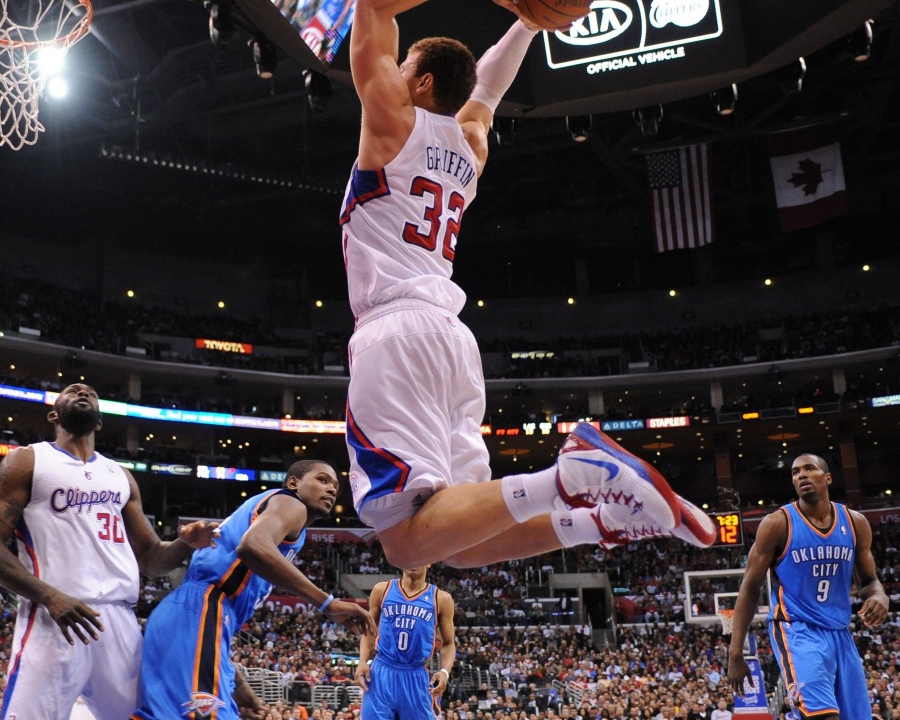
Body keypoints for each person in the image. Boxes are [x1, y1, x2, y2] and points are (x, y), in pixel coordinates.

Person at [340, 0, 716, 571]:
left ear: (419, 81)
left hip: (393, 331)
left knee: (404, 543)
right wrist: (525, 24)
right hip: (448, 336)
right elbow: (487, 89)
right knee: (462, 546)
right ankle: (601, 520)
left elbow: (373, 7)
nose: (393, 71)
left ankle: (568, 475)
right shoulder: (469, 143)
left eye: (403, 64)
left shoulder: (392, 122)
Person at [0, 383, 218, 720]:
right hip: (54, 615)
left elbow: (151, 560)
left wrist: (184, 544)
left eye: (90, 392)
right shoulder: (27, 461)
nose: (82, 391)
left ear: (99, 422)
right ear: (53, 414)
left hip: (119, 621)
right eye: (71, 391)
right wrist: (50, 597)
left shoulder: (120, 476)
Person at [134, 459, 374, 720]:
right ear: (294, 482)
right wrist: (327, 603)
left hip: (190, 615)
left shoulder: (275, 512)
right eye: (322, 480)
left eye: (335, 486)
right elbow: (252, 546)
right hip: (202, 608)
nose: (331, 489)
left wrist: (240, 688)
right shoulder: (291, 503)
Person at [726, 453, 889, 720]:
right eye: (795, 472)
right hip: (796, 630)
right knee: (823, 716)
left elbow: (869, 582)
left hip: (839, 632)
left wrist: (880, 595)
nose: (800, 475)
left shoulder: (855, 523)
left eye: (809, 469)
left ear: (827, 478)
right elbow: (750, 588)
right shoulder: (777, 524)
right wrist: (735, 652)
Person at [355, 565, 455, 720]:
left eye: (418, 556)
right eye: (408, 557)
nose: (412, 562)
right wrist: (362, 661)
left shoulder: (441, 598)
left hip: (415, 674)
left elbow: (449, 643)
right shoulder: (382, 590)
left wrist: (445, 671)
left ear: (429, 562)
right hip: (382, 672)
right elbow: (369, 631)